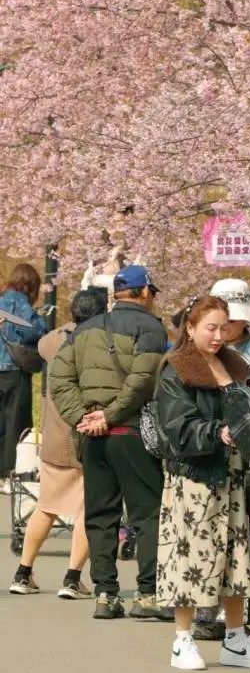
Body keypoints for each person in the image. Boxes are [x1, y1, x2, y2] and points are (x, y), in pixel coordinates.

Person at [49, 264, 171, 621]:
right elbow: (143, 380)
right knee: (146, 513)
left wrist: (83, 418)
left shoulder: (84, 329)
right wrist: (112, 416)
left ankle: (105, 594)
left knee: (101, 514)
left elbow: (59, 378)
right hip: (131, 434)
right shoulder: (150, 328)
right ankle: (147, 593)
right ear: (145, 292)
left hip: (93, 439)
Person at [155, 295, 250, 672]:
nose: (217, 336)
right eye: (210, 328)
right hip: (194, 477)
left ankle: (235, 638)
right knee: (190, 557)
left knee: (235, 557)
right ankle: (182, 640)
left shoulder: (233, 363)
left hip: (231, 474)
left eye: (223, 327)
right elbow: (175, 429)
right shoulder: (176, 369)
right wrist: (219, 432)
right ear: (191, 328)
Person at [10, 289, 108, 598]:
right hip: (87, 435)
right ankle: (72, 578)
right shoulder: (100, 345)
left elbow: (40, 341)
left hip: (53, 437)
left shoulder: (53, 340)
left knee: (46, 506)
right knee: (87, 510)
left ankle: (23, 573)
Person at [0, 263, 48, 490]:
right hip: (13, 370)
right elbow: (34, 330)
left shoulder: (1, 299)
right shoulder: (18, 301)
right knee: (15, 423)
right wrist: (40, 321)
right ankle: (8, 474)